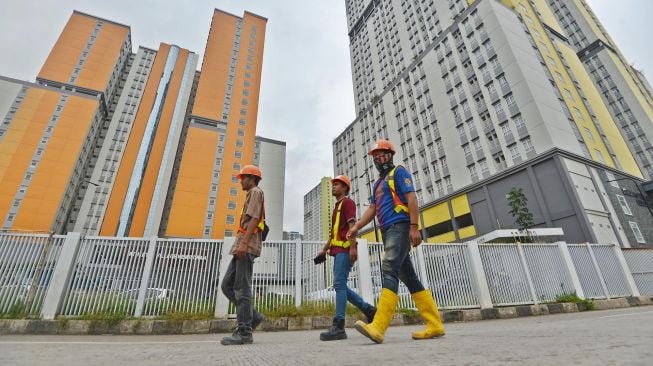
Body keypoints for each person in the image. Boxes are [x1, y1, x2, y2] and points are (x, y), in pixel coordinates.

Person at [347, 139, 445, 344]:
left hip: (399, 227)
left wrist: (414, 227)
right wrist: (356, 227)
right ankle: (435, 325)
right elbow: (373, 210)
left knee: (389, 267)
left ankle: (379, 326)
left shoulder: (399, 173)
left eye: (382, 154)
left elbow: (412, 198)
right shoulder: (377, 184)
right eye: (375, 156)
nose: (378, 158)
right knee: (409, 277)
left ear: (390, 155)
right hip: (387, 231)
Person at [317, 175, 377, 341]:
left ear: (345, 187)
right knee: (341, 285)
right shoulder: (337, 207)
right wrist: (323, 250)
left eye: (337, 185)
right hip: (338, 251)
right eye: (333, 185)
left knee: (338, 284)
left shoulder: (348, 203)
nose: (333, 187)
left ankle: (339, 326)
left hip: (345, 250)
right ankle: (369, 310)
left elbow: (352, 227)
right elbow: (334, 234)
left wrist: (352, 247)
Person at [221, 165, 266, 346]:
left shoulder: (256, 192)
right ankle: (253, 317)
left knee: (242, 288)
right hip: (241, 244)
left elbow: (254, 219)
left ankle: (245, 332)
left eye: (243, 178)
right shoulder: (252, 193)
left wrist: (244, 243)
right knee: (227, 286)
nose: (241, 181)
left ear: (252, 178)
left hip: (246, 245)